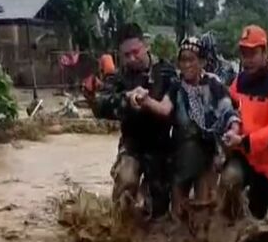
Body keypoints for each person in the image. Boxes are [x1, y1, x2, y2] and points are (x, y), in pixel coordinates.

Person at [140, 37, 240, 219]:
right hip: (180, 155)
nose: (186, 65)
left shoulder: (214, 84)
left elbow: (228, 113)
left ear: (202, 62)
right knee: (178, 210)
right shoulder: (176, 86)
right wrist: (146, 101)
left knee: (204, 209)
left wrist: (233, 131)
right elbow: (164, 109)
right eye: (183, 60)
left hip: (207, 155)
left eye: (191, 59)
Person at [90, 23, 177, 218]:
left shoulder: (166, 72)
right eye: (126, 55)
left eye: (135, 52)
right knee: (126, 181)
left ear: (146, 45)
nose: (131, 58)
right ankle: (118, 229)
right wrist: (127, 98)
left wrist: (148, 102)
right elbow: (102, 104)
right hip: (132, 145)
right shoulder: (120, 77)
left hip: (161, 148)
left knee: (159, 213)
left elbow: (174, 109)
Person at [221, 25, 268, 220]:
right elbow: (229, 105)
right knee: (228, 182)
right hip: (242, 156)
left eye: (253, 53)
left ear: (264, 53)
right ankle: (227, 229)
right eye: (244, 53)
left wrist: (244, 141)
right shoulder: (240, 80)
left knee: (259, 219)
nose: (248, 59)